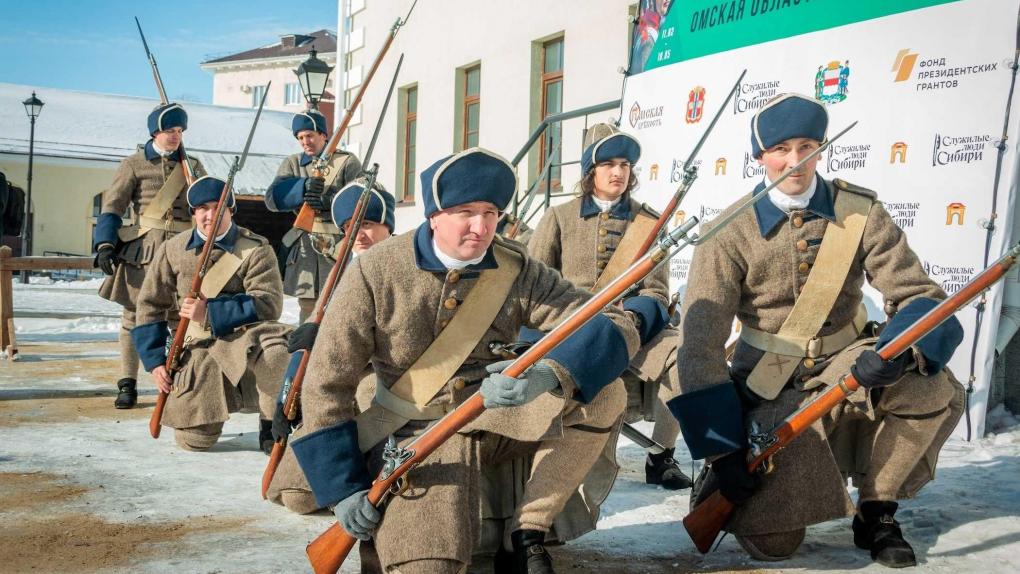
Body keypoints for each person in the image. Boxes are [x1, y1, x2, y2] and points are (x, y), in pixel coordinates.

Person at [290, 148, 640, 574]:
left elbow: (610, 323)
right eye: (465, 213)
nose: (481, 227)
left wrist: (548, 375)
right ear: (434, 216)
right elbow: (327, 382)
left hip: (496, 418)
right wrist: (343, 489)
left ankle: (528, 530)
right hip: (415, 431)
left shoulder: (516, 267)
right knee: (426, 568)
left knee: (605, 393)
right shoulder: (375, 271)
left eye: (491, 213)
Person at [668, 94, 965, 567]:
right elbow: (700, 345)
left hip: (849, 362)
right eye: (781, 149)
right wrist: (723, 452)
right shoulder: (727, 232)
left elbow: (919, 295)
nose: (796, 161)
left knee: (929, 388)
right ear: (760, 156)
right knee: (774, 546)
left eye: (807, 147)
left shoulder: (860, 212)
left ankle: (877, 510)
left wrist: (897, 353)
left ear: (821, 149)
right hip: (769, 383)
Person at [528, 122, 691, 490]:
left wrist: (633, 319)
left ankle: (661, 455)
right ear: (591, 170)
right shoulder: (558, 218)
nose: (618, 172)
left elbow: (656, 292)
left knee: (682, 357)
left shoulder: (650, 222)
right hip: (571, 328)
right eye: (608, 164)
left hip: (634, 327)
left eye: (624, 165)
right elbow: (535, 286)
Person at [131, 176, 291, 453]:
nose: (211, 215)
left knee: (276, 353)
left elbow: (269, 303)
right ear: (193, 213)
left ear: (231, 210)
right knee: (194, 442)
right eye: (203, 208)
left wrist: (211, 311)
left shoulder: (256, 248)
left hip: (245, 338)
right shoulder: (173, 249)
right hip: (198, 346)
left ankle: (270, 424)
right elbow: (149, 305)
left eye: (218, 207)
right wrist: (156, 361)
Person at [265, 178, 395, 514]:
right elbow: (309, 343)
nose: (359, 235)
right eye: (349, 227)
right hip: (337, 380)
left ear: (388, 227)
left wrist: (325, 340)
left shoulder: (403, 266)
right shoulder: (344, 271)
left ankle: (377, 481)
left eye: (368, 224)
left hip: (383, 377)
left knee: (369, 395)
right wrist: (286, 399)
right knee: (297, 497)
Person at [93, 102, 206, 410]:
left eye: (180, 131)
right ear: (155, 132)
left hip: (184, 251)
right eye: (170, 130)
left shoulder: (192, 165)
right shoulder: (133, 164)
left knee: (181, 319)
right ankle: (127, 384)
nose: (176, 136)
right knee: (133, 317)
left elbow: (208, 205)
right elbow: (112, 207)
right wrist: (104, 243)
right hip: (144, 252)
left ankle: (178, 384)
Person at [265, 110, 362, 322]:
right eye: (300, 137)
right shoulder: (293, 164)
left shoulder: (346, 161)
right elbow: (272, 200)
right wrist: (302, 187)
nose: (305, 142)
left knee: (338, 305)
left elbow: (361, 197)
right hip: (305, 246)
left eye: (309, 135)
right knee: (307, 308)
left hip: (336, 245)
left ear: (323, 135)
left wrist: (331, 202)